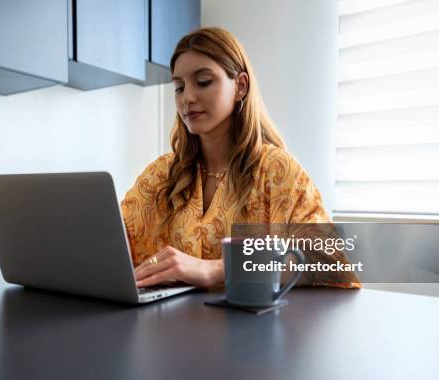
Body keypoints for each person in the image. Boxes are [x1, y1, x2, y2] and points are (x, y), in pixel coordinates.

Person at [121, 27, 360, 289]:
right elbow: (114, 244)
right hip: (169, 325)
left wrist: (216, 269)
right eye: (179, 88)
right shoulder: (161, 174)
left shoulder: (277, 171)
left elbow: (328, 260)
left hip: (252, 328)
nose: (187, 98)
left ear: (240, 86)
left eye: (203, 82)